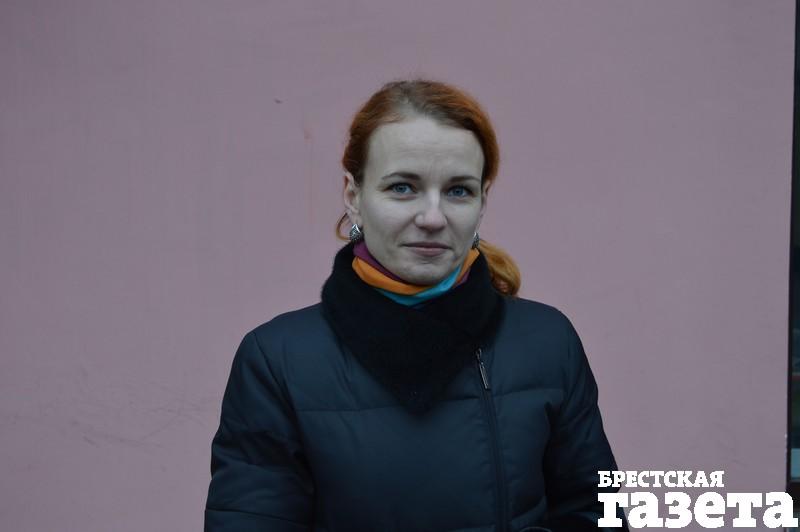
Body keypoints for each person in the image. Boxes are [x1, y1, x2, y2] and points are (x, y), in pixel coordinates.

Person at [204, 79, 627, 531]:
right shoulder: (277, 361)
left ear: (483, 201)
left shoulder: (548, 341)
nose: (432, 218)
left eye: (458, 190)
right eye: (403, 187)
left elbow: (599, 513)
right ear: (353, 196)